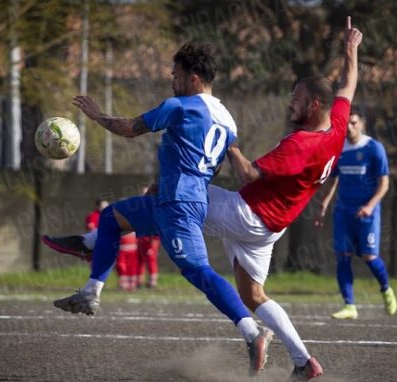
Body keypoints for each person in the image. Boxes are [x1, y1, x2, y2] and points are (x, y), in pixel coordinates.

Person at [45, 17, 363, 381]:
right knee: (254, 295)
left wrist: (233, 146)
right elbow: (348, 86)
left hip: (246, 213)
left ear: (315, 103)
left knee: (187, 242)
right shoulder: (336, 126)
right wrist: (350, 50)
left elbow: (247, 174)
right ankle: (305, 361)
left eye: (298, 98)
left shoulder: (299, 144)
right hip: (272, 228)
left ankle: (251, 332)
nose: (291, 102)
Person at [45, 43, 274, 376]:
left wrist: (96, 116)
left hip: (178, 205)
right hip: (178, 198)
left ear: (193, 78)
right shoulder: (227, 119)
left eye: (176, 75)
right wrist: (160, 186)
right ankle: (91, 289)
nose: (172, 80)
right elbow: (213, 166)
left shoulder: (179, 106)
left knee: (198, 271)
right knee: (112, 218)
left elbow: (129, 129)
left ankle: (253, 333)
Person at [314, 111, 397, 320]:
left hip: (367, 214)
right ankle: (349, 305)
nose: (349, 127)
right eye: (347, 123)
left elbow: (384, 183)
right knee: (342, 257)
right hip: (343, 212)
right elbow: (333, 179)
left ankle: (386, 289)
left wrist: (370, 206)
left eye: (353, 123)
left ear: (362, 124)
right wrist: (323, 205)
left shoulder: (373, 149)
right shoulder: (339, 148)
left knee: (370, 257)